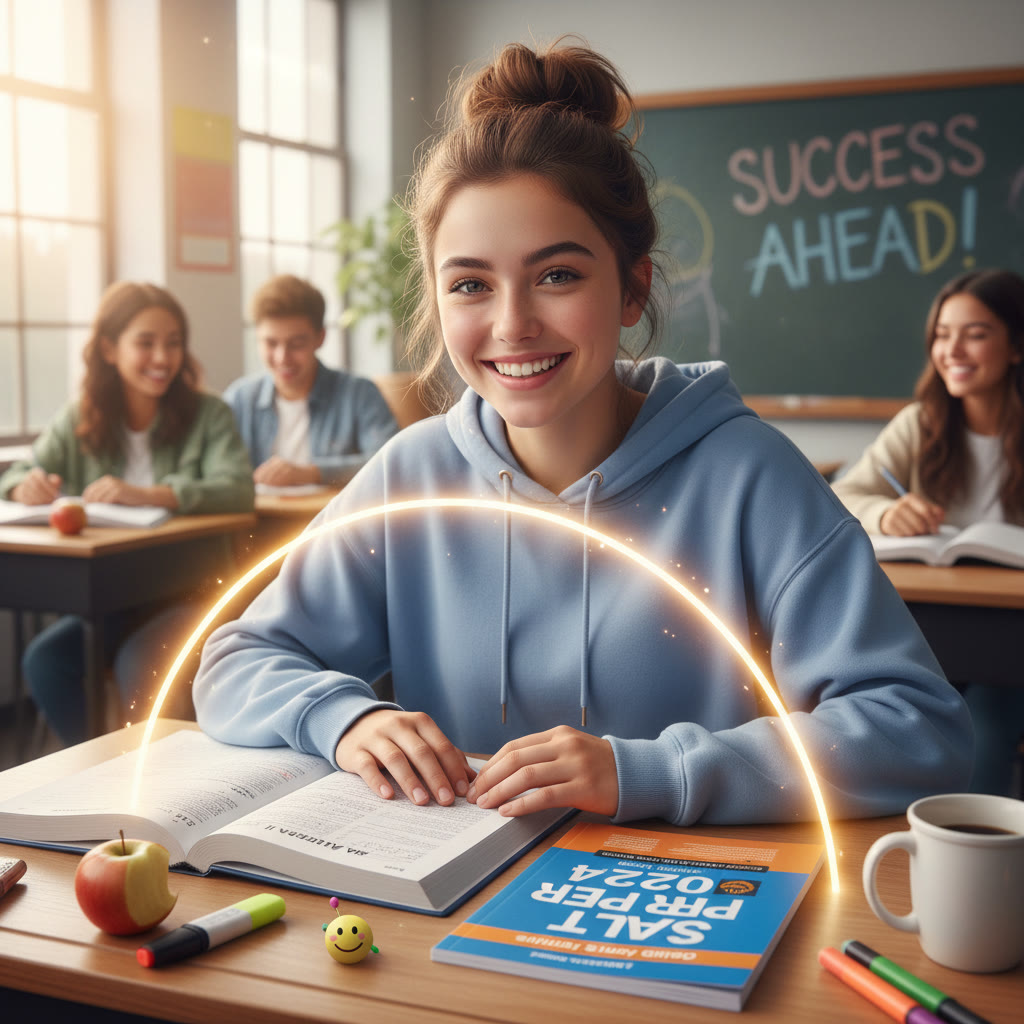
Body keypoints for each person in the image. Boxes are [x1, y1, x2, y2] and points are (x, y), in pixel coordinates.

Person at [193, 39, 971, 826]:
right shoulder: (411, 476)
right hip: (440, 912)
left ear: (633, 288)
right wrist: (345, 719)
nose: (512, 325)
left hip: (673, 909)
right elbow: (234, 661)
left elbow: (919, 727)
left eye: (557, 275)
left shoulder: (748, 474)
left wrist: (654, 770)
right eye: (470, 284)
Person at [0, 281, 255, 745]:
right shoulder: (82, 417)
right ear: (109, 349)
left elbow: (237, 490)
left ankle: (152, 794)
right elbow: (17, 472)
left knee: (139, 662)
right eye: (146, 343)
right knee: (45, 661)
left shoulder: (209, 413)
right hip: (114, 597)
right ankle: (101, 773)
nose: (162, 357)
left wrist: (150, 494)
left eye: (173, 342)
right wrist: (23, 483)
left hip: (195, 591)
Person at [833, 268, 1024, 796]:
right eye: (942, 335)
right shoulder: (921, 423)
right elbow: (845, 494)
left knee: (986, 722)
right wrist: (885, 513)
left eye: (976, 333)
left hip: (1011, 641)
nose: (953, 350)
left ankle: (978, 858)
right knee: (902, 715)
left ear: (1016, 346)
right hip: (935, 632)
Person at [223, 274, 399, 488]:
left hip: (334, 517)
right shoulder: (239, 399)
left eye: (296, 344)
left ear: (320, 338)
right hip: (260, 519)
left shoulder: (359, 394)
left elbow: (390, 461)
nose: (282, 358)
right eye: (270, 343)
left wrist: (312, 473)